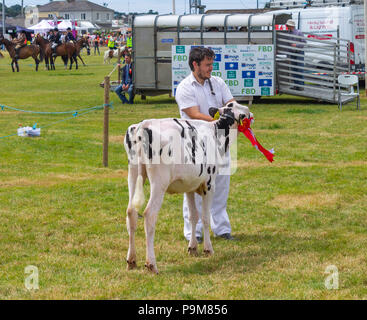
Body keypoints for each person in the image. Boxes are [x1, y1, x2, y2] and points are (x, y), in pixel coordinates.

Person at [175, 46, 236, 242]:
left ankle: (221, 228)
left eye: (212, 64)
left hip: (220, 143)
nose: (211, 68)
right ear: (195, 64)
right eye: (207, 64)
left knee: (220, 186)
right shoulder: (185, 87)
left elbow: (231, 103)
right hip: (195, 144)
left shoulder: (217, 83)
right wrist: (220, 119)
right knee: (194, 188)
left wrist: (234, 113)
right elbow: (193, 113)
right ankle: (195, 231)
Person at [286, 19, 306, 91]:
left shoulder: (299, 32)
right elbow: (288, 44)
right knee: (294, 69)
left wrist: (296, 45)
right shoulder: (288, 33)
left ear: (291, 26)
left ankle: (300, 85)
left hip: (299, 52)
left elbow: (304, 42)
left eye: (287, 25)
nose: (286, 26)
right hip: (292, 52)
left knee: (299, 68)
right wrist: (288, 55)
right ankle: (296, 85)